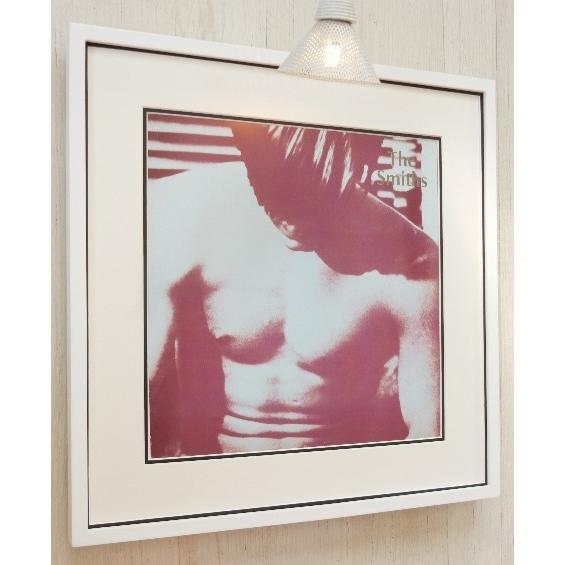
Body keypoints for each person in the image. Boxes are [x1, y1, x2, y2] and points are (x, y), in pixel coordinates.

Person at [147, 120, 440, 458]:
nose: (292, 220)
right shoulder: (185, 215)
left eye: (315, 198)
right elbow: (137, 401)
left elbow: (429, 434)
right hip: (211, 479)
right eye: (276, 192)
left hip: (332, 479)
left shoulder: (412, 261)